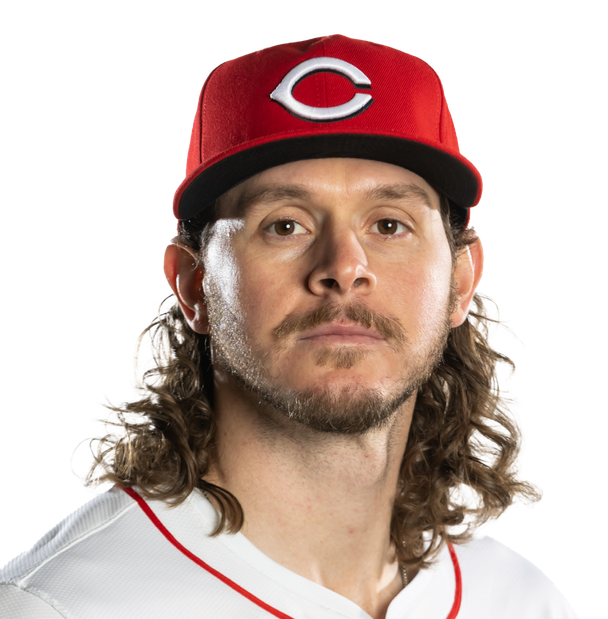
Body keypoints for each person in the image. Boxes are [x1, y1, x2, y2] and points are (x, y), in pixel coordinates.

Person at [0, 34, 578, 618]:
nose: (344, 267)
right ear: (195, 286)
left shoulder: (524, 604)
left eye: (389, 224)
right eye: (284, 225)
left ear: (461, 280)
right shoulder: (58, 607)